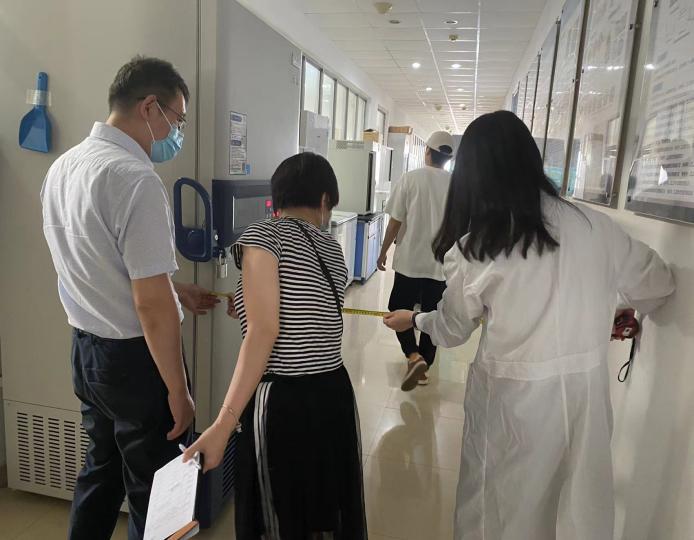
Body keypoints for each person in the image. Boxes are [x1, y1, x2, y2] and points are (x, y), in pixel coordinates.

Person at [384, 111, 675, 540]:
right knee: (579, 510)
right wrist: (607, 308)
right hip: (585, 401)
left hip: (512, 408)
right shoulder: (596, 226)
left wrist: (415, 318)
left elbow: (452, 330)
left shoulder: (478, 247)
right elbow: (658, 285)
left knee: (499, 514)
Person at [41, 56, 219, 540]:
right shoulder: (135, 179)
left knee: (100, 473)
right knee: (158, 488)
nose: (177, 132)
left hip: (87, 354)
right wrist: (179, 391)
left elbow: (97, 264)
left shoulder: (63, 167)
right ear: (149, 107)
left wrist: (175, 289)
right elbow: (150, 307)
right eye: (177, 119)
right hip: (135, 362)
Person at [184, 153, 367, 539]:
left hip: (284, 400)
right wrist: (249, 305)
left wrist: (222, 424)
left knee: (278, 514)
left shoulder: (262, 235)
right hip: (334, 393)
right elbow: (308, 311)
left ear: (278, 198)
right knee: (321, 506)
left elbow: (264, 332)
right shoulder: (332, 248)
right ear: (324, 200)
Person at [377, 130, 454, 391]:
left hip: (409, 262)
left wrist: (383, 252)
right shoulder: (456, 186)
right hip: (440, 265)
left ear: (427, 152)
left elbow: (395, 222)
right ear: (447, 158)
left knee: (397, 308)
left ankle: (413, 355)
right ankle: (425, 364)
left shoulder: (410, 179)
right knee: (432, 315)